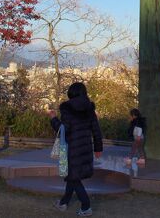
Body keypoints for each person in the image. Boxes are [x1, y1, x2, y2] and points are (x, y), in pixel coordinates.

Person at [49, 82, 103, 217]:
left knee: (73, 178)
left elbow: (63, 129)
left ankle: (86, 207)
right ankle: (63, 203)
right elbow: (96, 130)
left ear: (71, 93)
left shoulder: (67, 108)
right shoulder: (90, 109)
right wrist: (98, 148)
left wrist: (53, 118)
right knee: (72, 177)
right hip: (85, 149)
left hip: (71, 149)